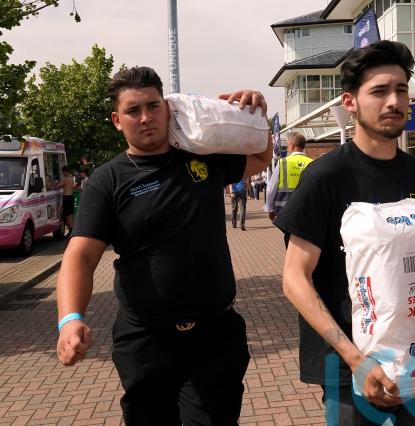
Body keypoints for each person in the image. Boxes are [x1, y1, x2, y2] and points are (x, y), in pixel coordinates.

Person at [275, 41, 415, 425]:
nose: (393, 101)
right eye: (379, 91)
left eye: (401, 90)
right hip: (351, 366)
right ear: (350, 102)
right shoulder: (325, 178)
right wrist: (355, 358)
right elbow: (295, 278)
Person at [55, 66, 272, 425]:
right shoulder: (107, 181)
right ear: (117, 120)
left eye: (153, 106)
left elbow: (261, 159)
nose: (146, 117)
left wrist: (257, 114)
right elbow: (80, 256)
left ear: (167, 108)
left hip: (214, 336)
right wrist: (70, 319)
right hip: (145, 341)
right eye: (133, 110)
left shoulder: (202, 157)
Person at [264, 132, 313, 245]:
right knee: (304, 239)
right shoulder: (312, 162)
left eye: (287, 144)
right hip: (307, 209)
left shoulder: (283, 162)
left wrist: (270, 209)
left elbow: (271, 188)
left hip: (285, 210)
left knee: (289, 238)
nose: (287, 147)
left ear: (292, 146)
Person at [61, 166, 75, 236]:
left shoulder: (65, 179)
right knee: (71, 214)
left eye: (63, 172)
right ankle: (71, 229)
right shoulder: (71, 179)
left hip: (66, 197)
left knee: (67, 215)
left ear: (65, 171)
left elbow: (59, 185)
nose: (63, 173)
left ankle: (70, 230)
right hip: (71, 197)